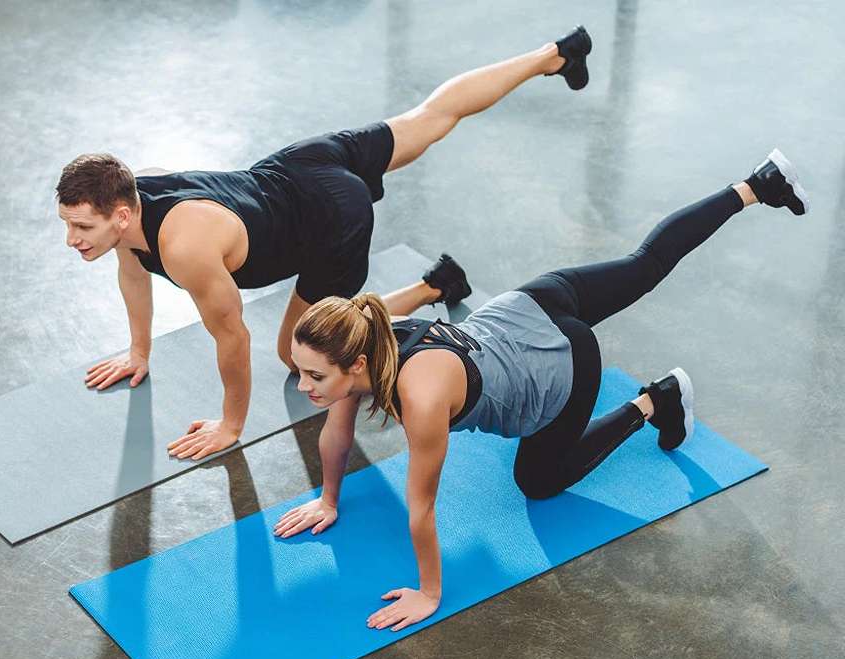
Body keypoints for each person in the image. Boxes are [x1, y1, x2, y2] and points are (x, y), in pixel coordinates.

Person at [275, 149, 809, 631]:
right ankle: (757, 185)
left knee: (537, 480)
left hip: (563, 360)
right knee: (643, 263)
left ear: (356, 364)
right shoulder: (365, 332)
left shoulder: (421, 397)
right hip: (532, 303)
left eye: (315, 377)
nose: (305, 386)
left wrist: (429, 592)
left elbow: (421, 506)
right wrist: (327, 499)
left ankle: (655, 401)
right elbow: (336, 436)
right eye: (302, 372)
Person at [54, 26, 595, 460]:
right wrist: (139, 352)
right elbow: (132, 270)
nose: (71, 239)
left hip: (332, 224)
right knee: (429, 119)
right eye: (69, 224)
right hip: (302, 165)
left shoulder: (185, 249)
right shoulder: (135, 193)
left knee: (297, 355)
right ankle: (553, 54)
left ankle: (431, 288)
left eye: (82, 228)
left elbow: (233, 338)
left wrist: (231, 426)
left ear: (119, 215)